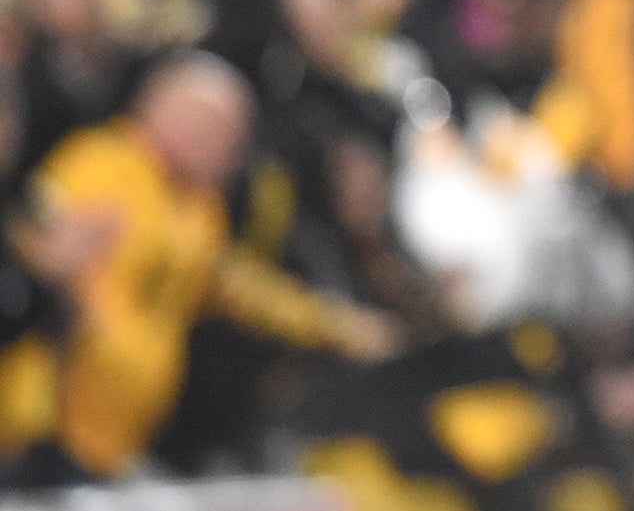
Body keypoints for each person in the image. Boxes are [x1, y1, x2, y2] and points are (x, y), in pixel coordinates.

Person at [30, 51, 398, 475]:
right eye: (228, 139)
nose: (233, 158)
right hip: (49, 432)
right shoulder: (98, 166)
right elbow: (39, 271)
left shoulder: (199, 207)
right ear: (185, 121)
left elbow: (238, 286)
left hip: (117, 444)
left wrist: (336, 324)